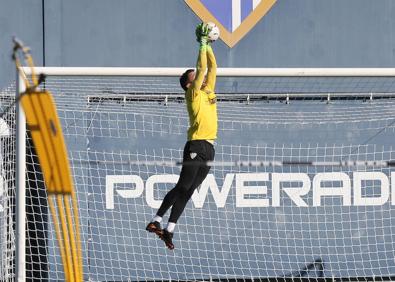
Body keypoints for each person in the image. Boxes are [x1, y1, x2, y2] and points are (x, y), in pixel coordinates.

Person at [146, 23, 218, 250]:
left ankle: (169, 229)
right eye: (195, 75)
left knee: (189, 191)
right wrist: (202, 44)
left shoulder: (208, 91)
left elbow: (212, 67)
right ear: (189, 84)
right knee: (182, 186)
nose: (201, 76)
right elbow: (203, 66)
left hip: (209, 147)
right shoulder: (193, 93)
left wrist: (210, 47)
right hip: (195, 144)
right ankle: (155, 220)